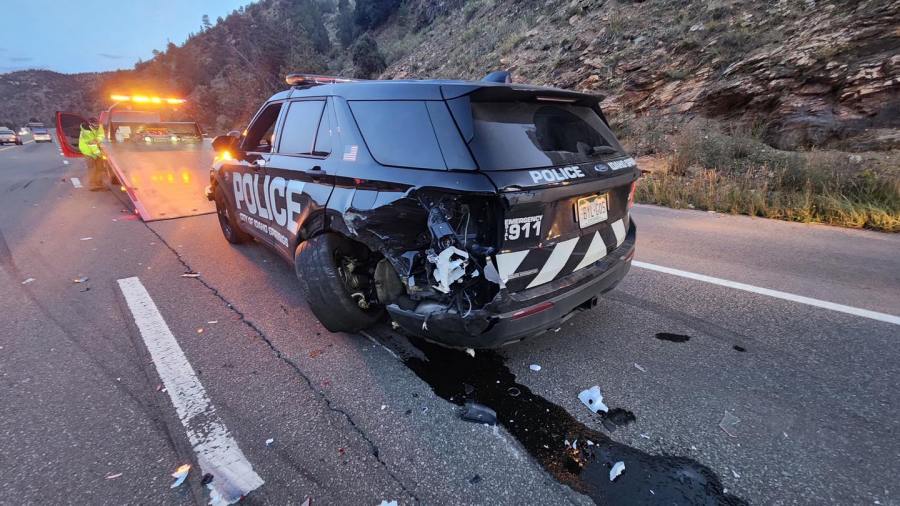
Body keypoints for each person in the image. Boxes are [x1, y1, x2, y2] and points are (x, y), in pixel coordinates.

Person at [79, 118, 106, 191]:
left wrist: (97, 140)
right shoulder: (86, 132)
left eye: (98, 125)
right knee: (93, 168)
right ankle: (93, 185)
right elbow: (92, 145)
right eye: (95, 125)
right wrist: (100, 154)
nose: (97, 126)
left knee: (100, 167)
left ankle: (99, 183)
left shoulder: (99, 126)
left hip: (96, 147)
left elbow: (101, 135)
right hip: (88, 151)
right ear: (90, 124)